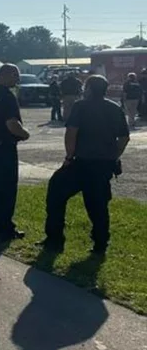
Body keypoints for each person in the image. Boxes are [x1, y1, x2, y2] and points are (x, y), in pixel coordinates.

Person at [41, 75, 130, 254]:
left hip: (80, 163)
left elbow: (71, 132)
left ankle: (55, 240)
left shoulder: (80, 106)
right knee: (98, 205)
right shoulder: (114, 108)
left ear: (88, 88)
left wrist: (68, 157)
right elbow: (124, 137)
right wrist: (113, 156)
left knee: (56, 194)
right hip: (103, 166)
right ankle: (100, 244)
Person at [0, 64, 30, 242]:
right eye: (15, 75)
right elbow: (12, 124)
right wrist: (25, 134)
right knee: (7, 188)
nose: (17, 79)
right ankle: (5, 228)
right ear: (5, 75)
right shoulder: (6, 96)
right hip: (4, 148)